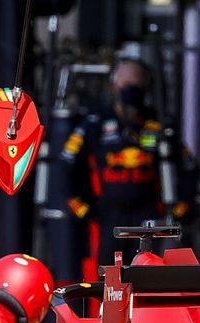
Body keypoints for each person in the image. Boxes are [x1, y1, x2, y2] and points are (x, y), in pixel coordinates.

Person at [62, 59, 185, 273]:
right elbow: (67, 164)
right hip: (109, 215)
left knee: (148, 274)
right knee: (108, 275)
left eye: (137, 85)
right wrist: (83, 209)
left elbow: (184, 165)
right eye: (126, 84)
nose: (131, 90)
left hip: (148, 214)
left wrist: (177, 209)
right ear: (113, 86)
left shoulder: (158, 123)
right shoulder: (95, 123)